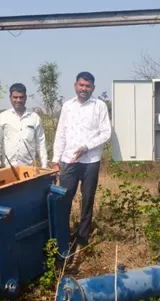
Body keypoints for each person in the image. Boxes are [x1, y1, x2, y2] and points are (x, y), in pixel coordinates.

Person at [52, 71, 111, 249]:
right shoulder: (67, 106)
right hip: (69, 160)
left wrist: (86, 147)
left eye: (88, 86)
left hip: (90, 161)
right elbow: (60, 134)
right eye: (81, 85)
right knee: (64, 199)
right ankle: (62, 239)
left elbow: (106, 133)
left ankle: (82, 240)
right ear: (75, 85)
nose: (84, 89)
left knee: (87, 200)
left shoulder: (99, 106)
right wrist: (56, 160)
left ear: (93, 88)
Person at [0, 83, 49, 169]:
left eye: (21, 97)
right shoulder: (2, 117)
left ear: (26, 98)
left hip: (29, 168)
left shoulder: (34, 118)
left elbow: (41, 143)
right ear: (10, 98)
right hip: (8, 168)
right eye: (15, 97)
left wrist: (45, 165)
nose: (18, 100)